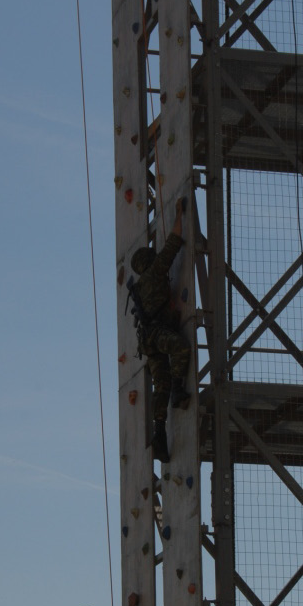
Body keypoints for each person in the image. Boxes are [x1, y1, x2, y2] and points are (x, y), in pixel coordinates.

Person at [129, 198, 191, 463]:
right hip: (157, 334)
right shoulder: (155, 273)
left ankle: (159, 432)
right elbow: (173, 244)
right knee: (180, 347)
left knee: (159, 384)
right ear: (149, 261)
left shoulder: (138, 289)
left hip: (147, 341)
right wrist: (179, 214)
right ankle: (179, 389)